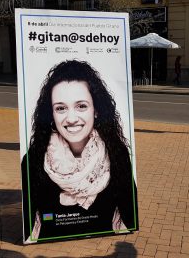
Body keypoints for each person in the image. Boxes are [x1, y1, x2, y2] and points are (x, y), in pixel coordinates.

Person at [22, 60, 138, 243]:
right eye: (61, 108)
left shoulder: (116, 153)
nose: (71, 118)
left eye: (81, 106)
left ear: (96, 110)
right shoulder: (34, 159)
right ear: (51, 114)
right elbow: (29, 226)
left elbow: (130, 217)